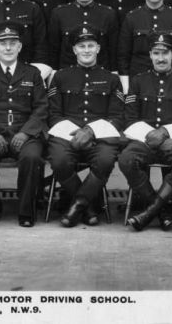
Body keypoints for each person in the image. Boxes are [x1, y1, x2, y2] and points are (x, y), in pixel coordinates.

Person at [0, 21, 48, 227]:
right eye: (3, 43)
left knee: (32, 158)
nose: (8, 47)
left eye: (13, 43)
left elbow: (41, 108)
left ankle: (26, 211)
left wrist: (26, 133)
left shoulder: (32, 73)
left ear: (20, 46)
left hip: (24, 133)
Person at [119, 33, 172, 231]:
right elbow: (129, 119)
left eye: (165, 53)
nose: (160, 58)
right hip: (143, 141)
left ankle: (149, 212)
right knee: (126, 159)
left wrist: (164, 132)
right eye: (156, 53)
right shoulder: (138, 81)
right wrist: (152, 136)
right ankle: (159, 210)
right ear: (150, 55)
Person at [47, 26, 124, 228]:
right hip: (67, 136)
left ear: (98, 48)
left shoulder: (112, 79)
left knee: (106, 160)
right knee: (59, 159)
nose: (87, 50)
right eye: (82, 46)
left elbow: (117, 118)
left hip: (100, 138)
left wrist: (91, 133)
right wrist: (75, 134)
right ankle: (88, 209)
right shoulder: (60, 77)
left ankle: (77, 206)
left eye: (91, 46)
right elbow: (53, 115)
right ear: (74, 50)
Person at [48, 0, 118, 72]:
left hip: (100, 76)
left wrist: (114, 73)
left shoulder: (108, 14)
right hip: (67, 76)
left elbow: (113, 50)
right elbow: (53, 50)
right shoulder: (59, 13)